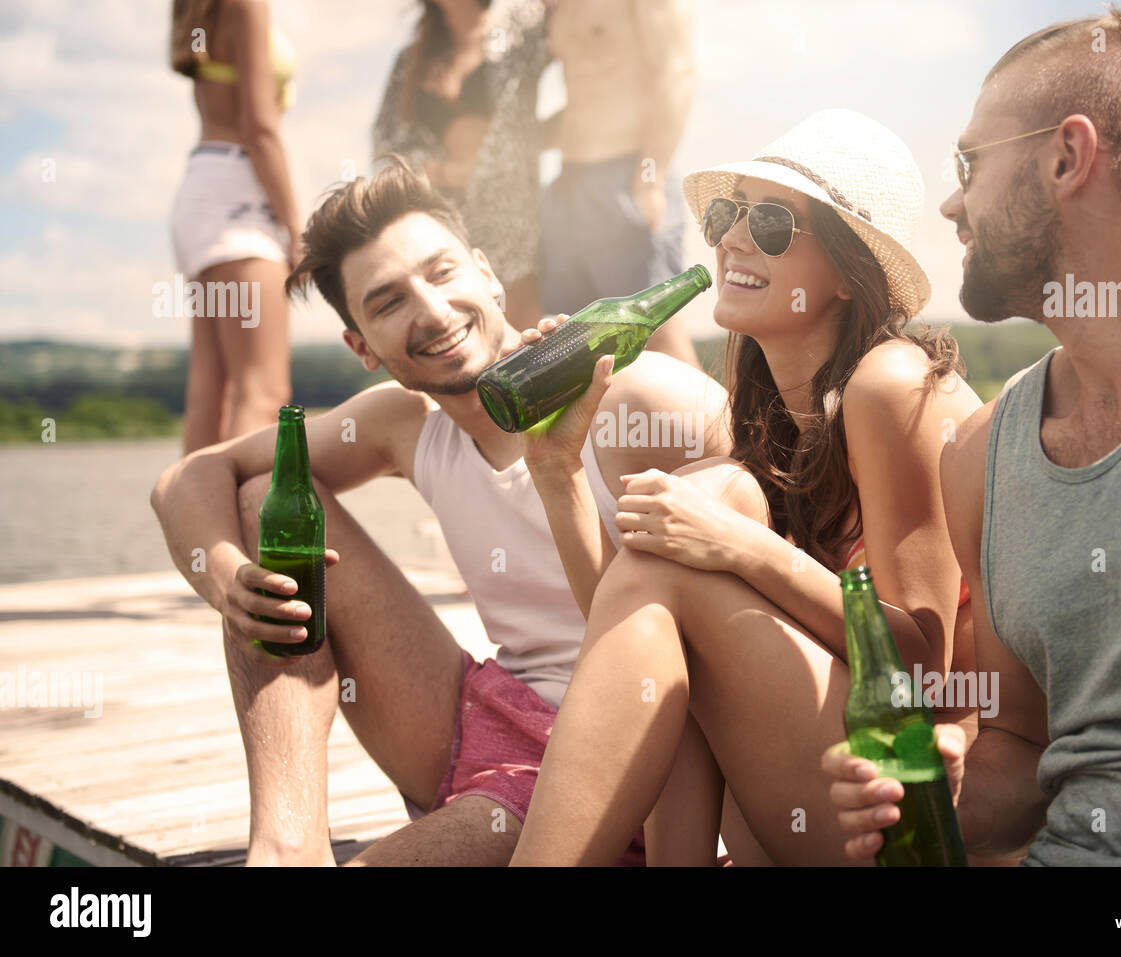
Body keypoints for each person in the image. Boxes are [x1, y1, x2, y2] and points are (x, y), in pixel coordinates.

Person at [824, 0, 1121, 866]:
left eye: (969, 161)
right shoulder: (980, 457)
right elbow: (1026, 752)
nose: (950, 200)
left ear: (1067, 156)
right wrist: (931, 801)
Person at [150, 157, 729, 866]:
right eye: (388, 302)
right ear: (362, 346)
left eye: (442, 271)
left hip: (613, 757)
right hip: (481, 718)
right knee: (262, 502)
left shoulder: (637, 397)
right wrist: (231, 581)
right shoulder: (407, 423)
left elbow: (779, 521)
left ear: (487, 273)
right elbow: (189, 478)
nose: (429, 309)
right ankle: (287, 845)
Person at [506, 109, 984, 866]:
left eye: (769, 221)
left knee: (708, 522)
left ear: (847, 271)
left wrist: (743, 548)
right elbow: (636, 628)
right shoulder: (771, 409)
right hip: (824, 793)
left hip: (921, 812)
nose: (730, 238)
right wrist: (556, 470)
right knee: (707, 508)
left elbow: (926, 668)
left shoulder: (889, 385)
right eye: (730, 215)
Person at [540, 0, 701, 369]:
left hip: (628, 175)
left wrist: (650, 177)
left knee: (657, 335)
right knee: (577, 342)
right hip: (568, 181)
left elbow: (677, 72)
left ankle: (711, 428)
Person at [169, 0, 300, 454]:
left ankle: (196, 520)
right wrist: (295, 226)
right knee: (263, 390)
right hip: (239, 196)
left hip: (205, 190)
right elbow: (260, 127)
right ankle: (238, 523)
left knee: (213, 391)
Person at [374, 0, 550, 333]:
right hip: (442, 220)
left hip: (510, 216)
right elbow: (385, 142)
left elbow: (582, 37)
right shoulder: (412, 61)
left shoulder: (520, 32)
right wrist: (445, 173)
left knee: (523, 335)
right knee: (465, 332)